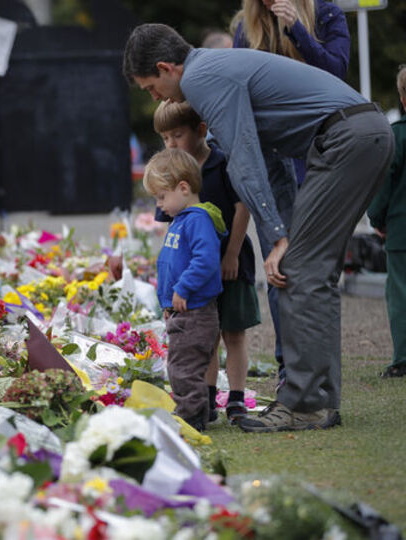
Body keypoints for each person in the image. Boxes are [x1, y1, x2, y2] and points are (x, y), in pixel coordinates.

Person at [123, 23, 394, 432]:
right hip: (356, 135)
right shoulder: (214, 67)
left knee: (299, 269)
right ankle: (319, 401)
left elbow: (243, 159)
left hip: (346, 139)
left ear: (165, 67)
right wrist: (280, 231)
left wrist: (281, 237)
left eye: (150, 87)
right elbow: (273, 161)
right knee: (310, 271)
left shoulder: (201, 77)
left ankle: (306, 404)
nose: (155, 97)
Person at [231, 0, 350, 385]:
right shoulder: (245, 29)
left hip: (321, 159)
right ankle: (290, 370)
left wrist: (298, 29)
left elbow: (337, 74)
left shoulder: (327, 14)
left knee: (315, 273)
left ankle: (321, 370)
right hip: (272, 165)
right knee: (279, 269)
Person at [152, 101, 261, 424]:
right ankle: (208, 397)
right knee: (206, 337)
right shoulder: (171, 176)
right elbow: (171, 230)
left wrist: (230, 254)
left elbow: (243, 208)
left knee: (234, 332)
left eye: (177, 135)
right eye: (165, 138)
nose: (171, 143)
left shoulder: (222, 164)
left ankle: (237, 399)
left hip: (231, 261)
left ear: (200, 131)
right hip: (195, 276)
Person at [144, 148, 224, 432]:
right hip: (182, 310)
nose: (159, 204)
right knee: (181, 364)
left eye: (161, 197)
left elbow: (206, 260)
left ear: (183, 187)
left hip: (195, 311)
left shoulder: (197, 220)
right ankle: (198, 412)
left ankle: (190, 418)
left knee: (183, 368)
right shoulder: (181, 219)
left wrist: (184, 288)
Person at [367, 66, 406, 379]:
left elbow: (384, 183)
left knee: (401, 293)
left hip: (401, 229)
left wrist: (376, 218)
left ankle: (403, 358)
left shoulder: (397, 135)